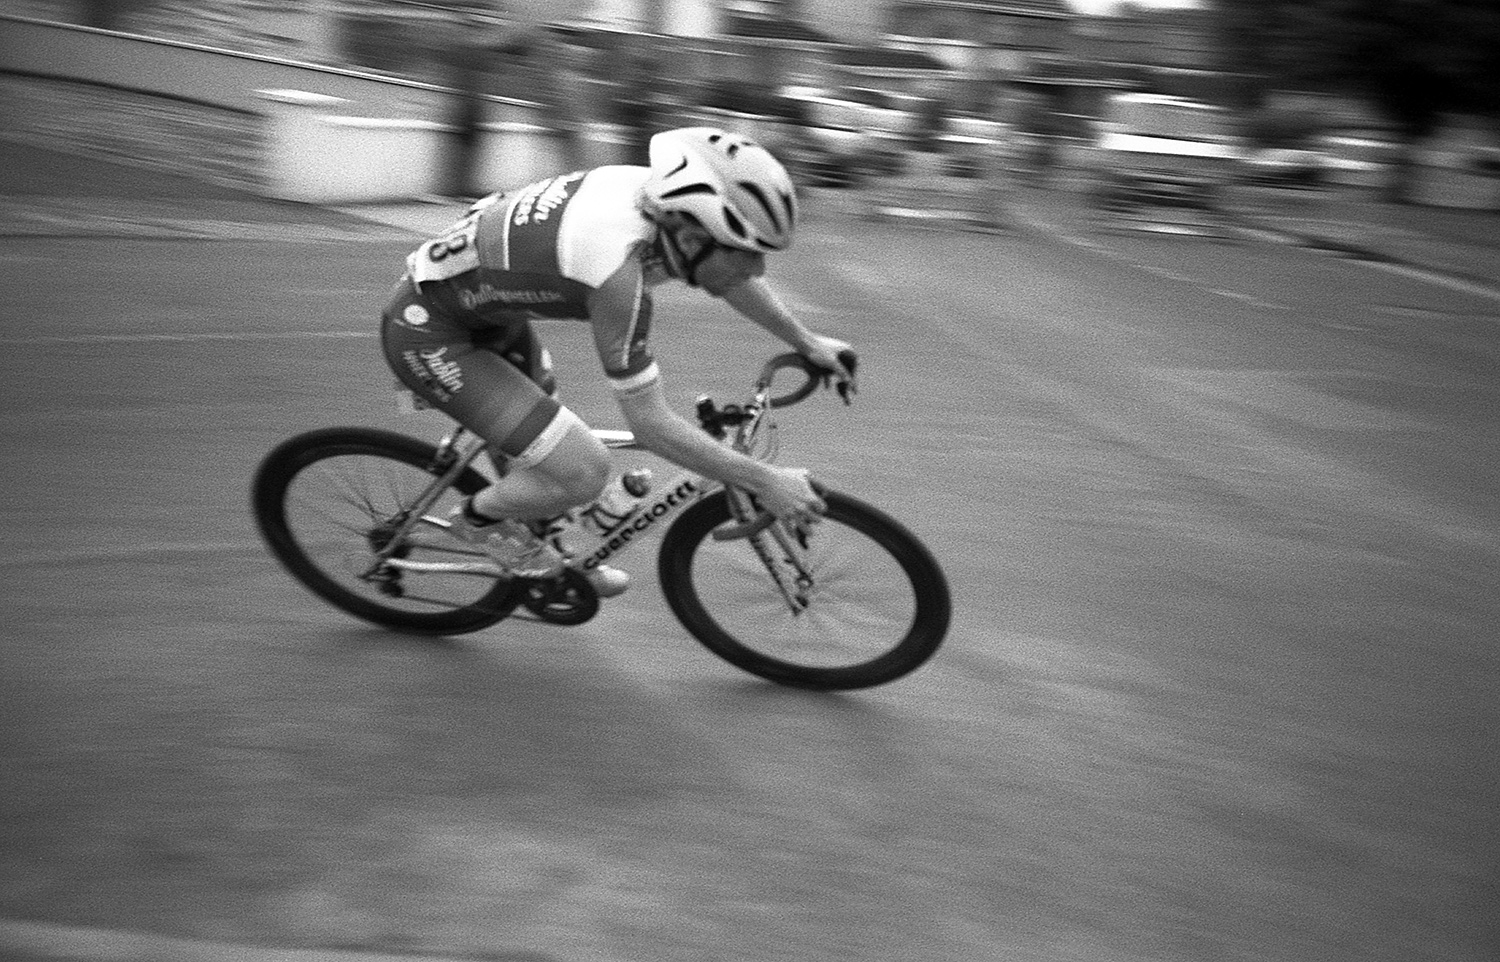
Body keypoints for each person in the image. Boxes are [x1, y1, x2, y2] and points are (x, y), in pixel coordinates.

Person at [381, 127, 857, 598]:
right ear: (691, 238)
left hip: (486, 315)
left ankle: (541, 539)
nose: (757, 271)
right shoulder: (616, 274)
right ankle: (478, 522)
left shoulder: (656, 200)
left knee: (547, 444)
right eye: (748, 255)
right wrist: (763, 478)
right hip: (430, 333)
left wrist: (807, 341)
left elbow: (727, 276)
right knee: (583, 469)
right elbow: (649, 424)